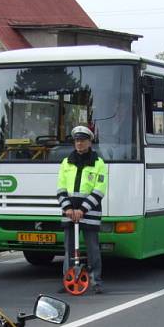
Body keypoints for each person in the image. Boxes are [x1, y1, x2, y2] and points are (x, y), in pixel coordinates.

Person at [57, 125, 108, 294]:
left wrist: (83, 209)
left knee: (92, 248)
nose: (79, 143)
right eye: (77, 141)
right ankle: (69, 280)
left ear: (89, 142)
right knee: (69, 249)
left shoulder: (98, 163)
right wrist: (68, 208)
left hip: (90, 213)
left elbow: (99, 190)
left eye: (83, 140)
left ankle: (96, 281)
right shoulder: (66, 162)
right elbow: (61, 188)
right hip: (69, 213)